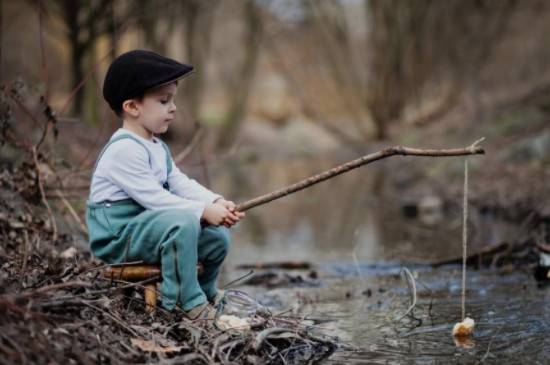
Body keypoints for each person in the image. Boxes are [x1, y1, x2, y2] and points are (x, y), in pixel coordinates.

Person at [86, 50, 245, 320]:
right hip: (119, 236)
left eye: (172, 100)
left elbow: (179, 183)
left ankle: (205, 294)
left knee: (217, 237)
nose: (173, 107)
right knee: (183, 223)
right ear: (132, 107)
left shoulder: (156, 146)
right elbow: (155, 199)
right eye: (163, 101)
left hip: (146, 227)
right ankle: (186, 302)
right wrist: (202, 211)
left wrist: (215, 201)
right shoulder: (123, 149)